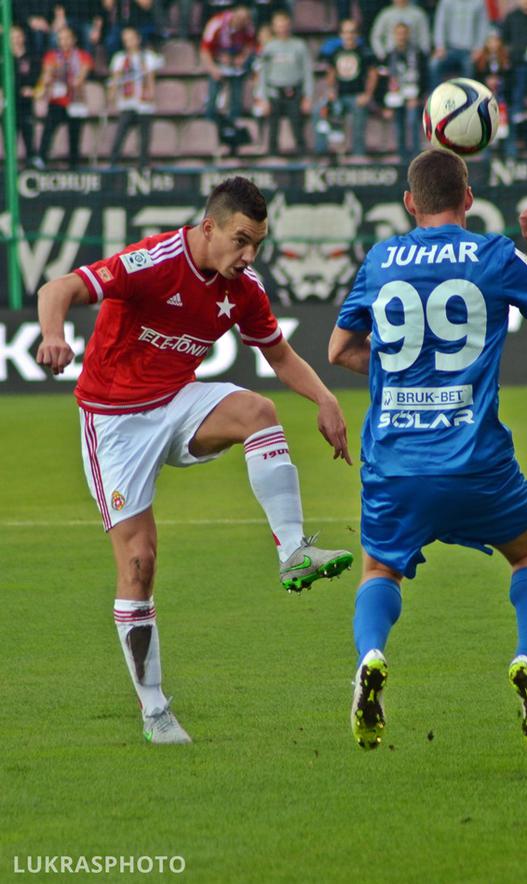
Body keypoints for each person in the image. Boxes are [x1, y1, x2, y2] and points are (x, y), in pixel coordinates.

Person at [36, 177, 354, 745]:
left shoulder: (244, 287)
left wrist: (326, 399)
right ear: (209, 227)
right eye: (240, 240)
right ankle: (154, 709)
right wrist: (55, 335)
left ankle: (293, 553)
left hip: (178, 401)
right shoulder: (155, 261)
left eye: (256, 243)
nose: (249, 254)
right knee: (140, 563)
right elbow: (57, 288)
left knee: (258, 411)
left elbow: (277, 353)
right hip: (114, 421)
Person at [328, 148, 527, 758]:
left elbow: (340, 348)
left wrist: (403, 378)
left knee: (380, 569)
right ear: (468, 199)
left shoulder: (382, 257)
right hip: (476, 462)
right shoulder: (495, 255)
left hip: (395, 464)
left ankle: (371, 657)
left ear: (409, 203)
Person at [314, 19, 378, 158]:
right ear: (341, 34)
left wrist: (367, 95)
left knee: (359, 112)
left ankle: (358, 154)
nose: (349, 35)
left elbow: (373, 74)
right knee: (319, 109)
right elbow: (331, 73)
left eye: (352, 32)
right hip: (339, 96)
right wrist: (330, 91)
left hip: (357, 96)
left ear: (357, 34)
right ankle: (322, 153)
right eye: (346, 32)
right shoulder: (335, 52)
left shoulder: (364, 52)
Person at [254, 10, 313, 156]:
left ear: (290, 25)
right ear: (274, 27)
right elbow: (262, 74)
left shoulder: (299, 45)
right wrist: (262, 98)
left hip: (294, 91)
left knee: (297, 123)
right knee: (273, 127)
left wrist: (308, 96)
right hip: (274, 91)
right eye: (279, 26)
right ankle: (273, 155)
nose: (282, 29)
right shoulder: (269, 47)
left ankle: (302, 154)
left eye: (285, 25)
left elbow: (307, 72)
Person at [35, 26, 93, 169]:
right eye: (61, 39)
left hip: (75, 100)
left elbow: (82, 75)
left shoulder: (82, 56)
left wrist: (75, 80)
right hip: (57, 100)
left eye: (67, 38)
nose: (64, 42)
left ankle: (73, 165)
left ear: (74, 39)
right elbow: (47, 73)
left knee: (74, 134)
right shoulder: (52, 56)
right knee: (48, 129)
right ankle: (41, 159)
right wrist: (44, 84)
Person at [107, 26, 161, 167]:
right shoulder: (119, 58)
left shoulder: (148, 56)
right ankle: (113, 162)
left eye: (131, 39)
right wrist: (112, 93)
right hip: (127, 102)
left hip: (143, 103)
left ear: (138, 39)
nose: (128, 42)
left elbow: (150, 78)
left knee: (144, 138)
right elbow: (115, 78)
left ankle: (144, 164)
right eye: (126, 40)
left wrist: (152, 93)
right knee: (120, 134)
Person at [200, 4, 256, 121]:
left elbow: (250, 45)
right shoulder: (216, 23)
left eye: (245, 20)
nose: (241, 22)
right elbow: (204, 51)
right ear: (233, 14)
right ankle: (210, 121)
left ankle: (233, 123)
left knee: (236, 97)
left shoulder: (248, 26)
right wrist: (212, 69)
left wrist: (243, 57)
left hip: (235, 64)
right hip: (216, 61)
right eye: (239, 19)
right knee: (213, 95)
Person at [382, 22, 428, 163]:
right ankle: (402, 157)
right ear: (394, 36)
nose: (401, 37)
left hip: (413, 96)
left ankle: (416, 155)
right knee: (398, 123)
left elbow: (425, 77)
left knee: (412, 118)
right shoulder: (390, 55)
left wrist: (420, 97)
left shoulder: (417, 53)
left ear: (408, 35)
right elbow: (384, 79)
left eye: (404, 33)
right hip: (396, 97)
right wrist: (386, 104)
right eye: (398, 33)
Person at [4, 26, 41, 166]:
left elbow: (38, 78)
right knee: (10, 136)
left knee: (28, 134)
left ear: (23, 37)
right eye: (12, 37)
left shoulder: (31, 57)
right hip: (9, 103)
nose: (16, 40)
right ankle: (10, 165)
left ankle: (32, 162)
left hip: (25, 103)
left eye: (18, 36)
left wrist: (34, 90)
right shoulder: (4, 57)